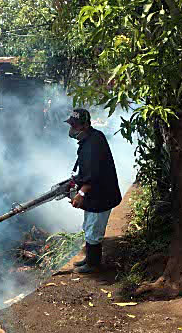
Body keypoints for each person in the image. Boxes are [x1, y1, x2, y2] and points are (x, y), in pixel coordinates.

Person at [65, 108, 122, 274]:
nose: (72, 129)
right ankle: (90, 259)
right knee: (89, 226)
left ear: (85, 125)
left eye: (75, 125)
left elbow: (94, 175)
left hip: (101, 195)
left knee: (94, 230)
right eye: (71, 124)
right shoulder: (94, 137)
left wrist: (80, 194)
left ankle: (94, 264)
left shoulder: (92, 144)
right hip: (97, 194)